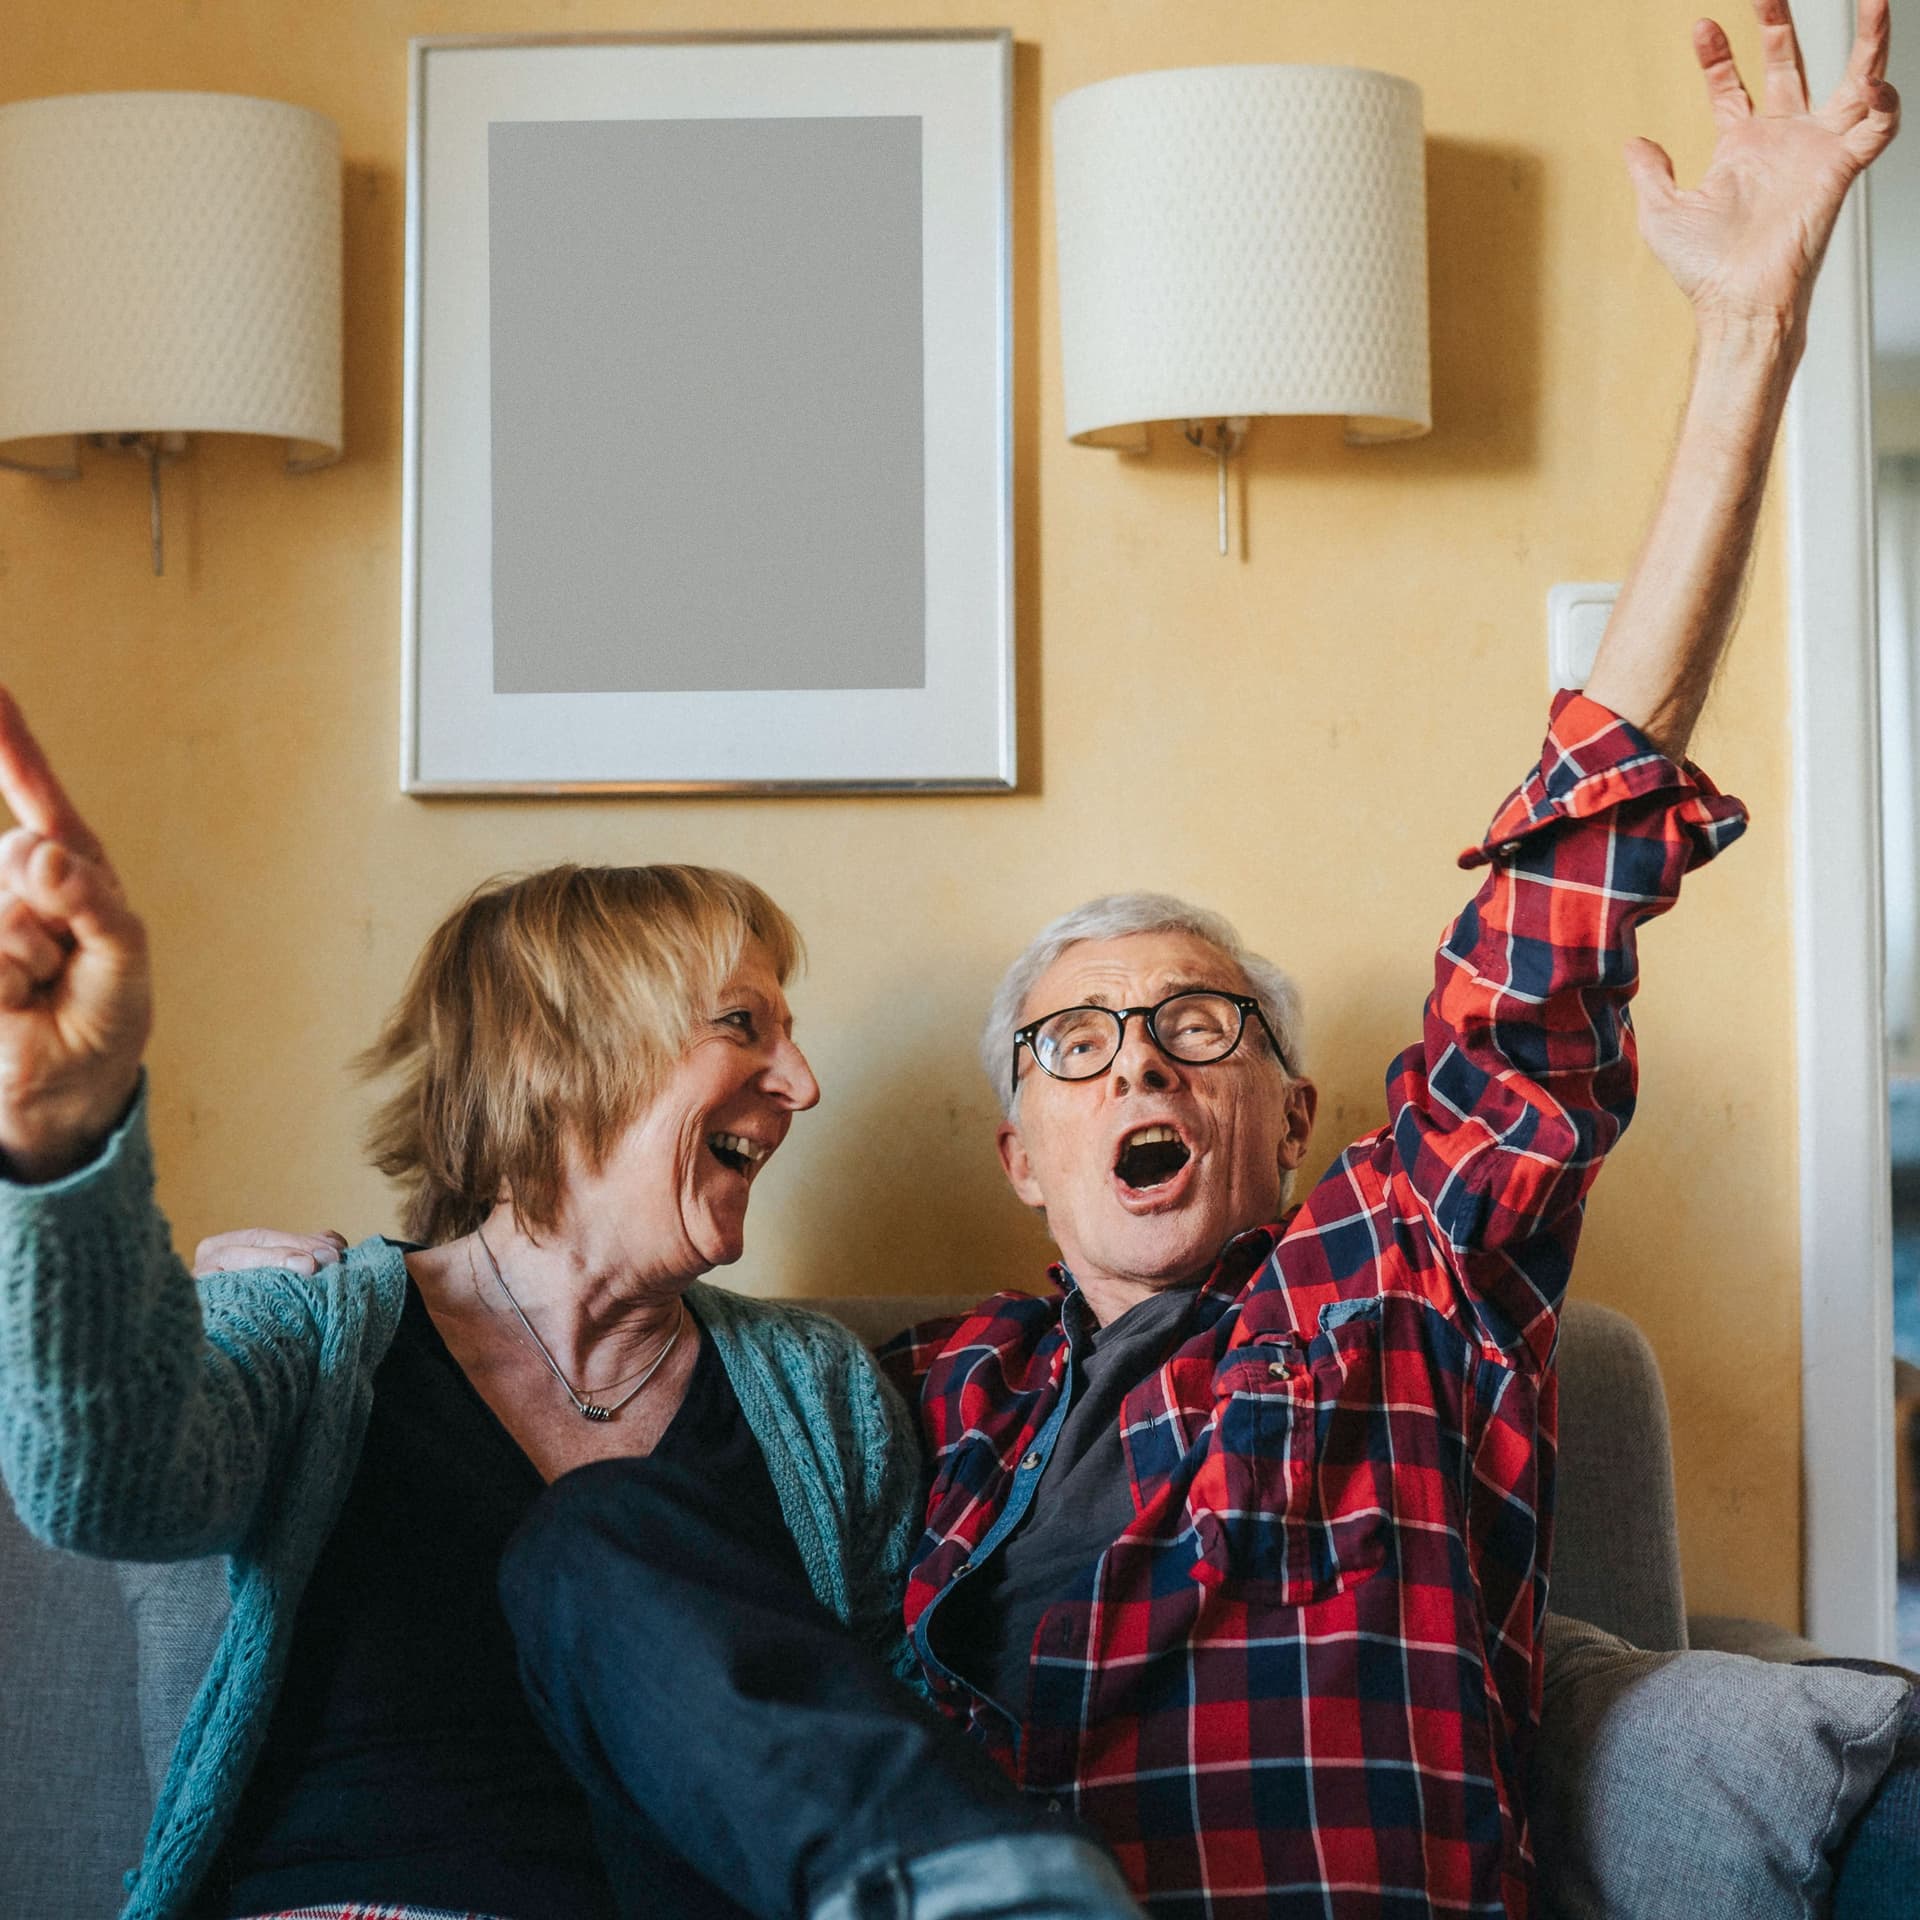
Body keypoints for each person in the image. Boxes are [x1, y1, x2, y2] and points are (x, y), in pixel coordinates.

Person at [192, 2, 1904, 1915]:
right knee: (597, 1557)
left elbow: (1581, 857)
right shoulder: (918, 1411)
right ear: (1019, 1153)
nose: (1141, 1070)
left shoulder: (1401, 1285)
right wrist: (335, 1281)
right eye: (1074, 1045)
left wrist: (1752, 330)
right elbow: (617, 1524)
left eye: (1195, 1026)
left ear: (1293, 1108)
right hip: (951, 1880)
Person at [0, 779, 1144, 1920]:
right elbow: (106, 1488)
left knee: (604, 1535)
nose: (802, 1085)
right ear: (568, 1052)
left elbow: (884, 1727)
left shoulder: (819, 1388)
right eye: (743, 1024)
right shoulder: (307, 1321)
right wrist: (63, 1143)